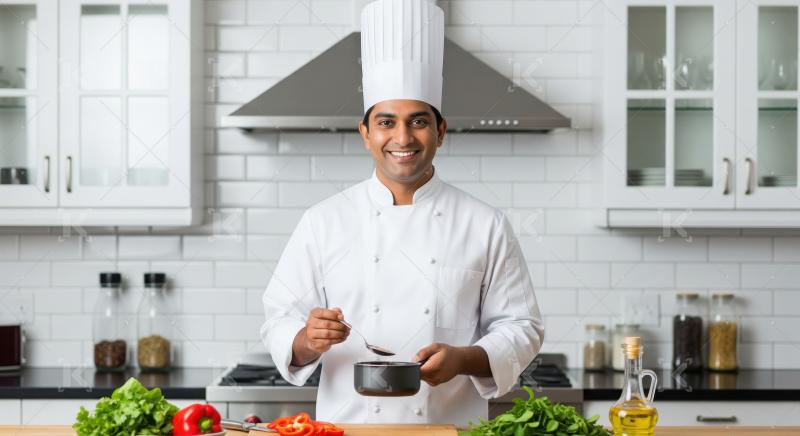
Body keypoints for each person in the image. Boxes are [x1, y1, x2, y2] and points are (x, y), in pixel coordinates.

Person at [261, 0, 544, 426]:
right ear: (365, 133)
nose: (403, 137)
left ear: (441, 131)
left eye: (418, 121)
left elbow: (522, 326)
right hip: (348, 430)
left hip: (448, 430)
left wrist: (464, 358)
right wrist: (308, 339)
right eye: (386, 122)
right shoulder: (323, 221)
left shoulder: (485, 224)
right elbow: (279, 322)